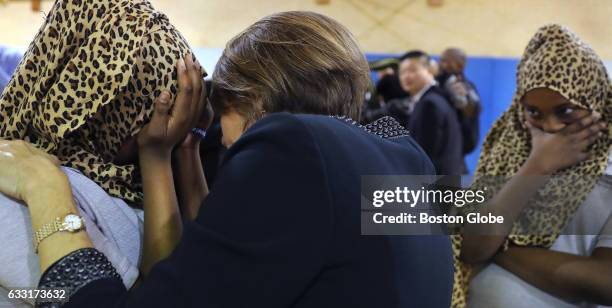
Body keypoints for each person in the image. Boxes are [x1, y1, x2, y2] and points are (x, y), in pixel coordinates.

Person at [0, 11, 453, 308]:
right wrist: (182, 151)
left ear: (248, 98)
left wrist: (45, 188)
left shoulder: (292, 148)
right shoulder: (398, 157)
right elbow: (223, 266)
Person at [0, 0, 206, 306]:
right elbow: (158, 297)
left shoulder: (121, 175)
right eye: (151, 118)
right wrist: (156, 157)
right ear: (95, 113)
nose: (169, 130)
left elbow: (208, 262)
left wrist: (189, 147)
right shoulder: (18, 197)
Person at [451, 24, 612, 308]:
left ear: (594, 100)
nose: (550, 127)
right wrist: (537, 166)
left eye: (565, 111)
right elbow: (472, 246)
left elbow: (604, 283)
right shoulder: (508, 153)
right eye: (534, 112)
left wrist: (499, 247)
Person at [394, 50, 463, 176]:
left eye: (412, 70)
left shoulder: (429, 104)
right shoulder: (437, 97)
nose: (406, 76)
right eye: (402, 72)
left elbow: (424, 156)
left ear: (430, 71)